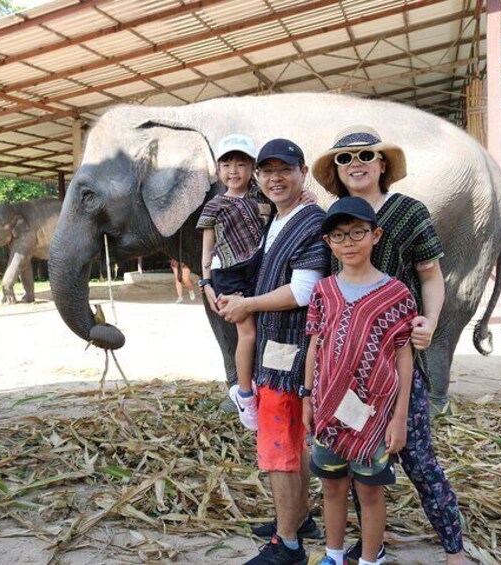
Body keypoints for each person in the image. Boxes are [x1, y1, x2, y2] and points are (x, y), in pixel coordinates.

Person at [311, 125, 465, 565]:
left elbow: (431, 274)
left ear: (383, 164)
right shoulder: (336, 217)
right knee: (354, 456)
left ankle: (453, 546)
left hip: (395, 360)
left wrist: (430, 322)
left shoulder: (408, 211)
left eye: (366, 155)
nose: (356, 163)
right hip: (345, 374)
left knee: (415, 454)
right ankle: (366, 547)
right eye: (345, 158)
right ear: (336, 172)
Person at [217, 138, 330, 565]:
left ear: (303, 172)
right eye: (267, 171)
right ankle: (299, 520)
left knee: (280, 447)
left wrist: (247, 305)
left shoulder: (309, 222)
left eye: (285, 169)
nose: (274, 178)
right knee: (292, 444)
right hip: (275, 345)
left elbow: (303, 291)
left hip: (290, 350)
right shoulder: (280, 217)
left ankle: (288, 546)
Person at [302, 197, 416, 565]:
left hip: (374, 415)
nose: (348, 242)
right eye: (338, 235)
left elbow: (403, 355)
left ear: (376, 235)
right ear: (328, 242)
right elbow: (314, 345)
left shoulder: (396, 294)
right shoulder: (323, 291)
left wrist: (399, 417)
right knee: (332, 486)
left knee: (369, 491)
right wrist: (307, 397)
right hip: (327, 408)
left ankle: (369, 559)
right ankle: (333, 555)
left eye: (357, 233)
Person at [197, 134, 263, 430]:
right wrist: (206, 283)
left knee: (263, 329)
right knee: (246, 332)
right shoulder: (214, 206)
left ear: (253, 168)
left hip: (259, 267)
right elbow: (207, 250)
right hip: (229, 272)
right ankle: (245, 393)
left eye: (241, 164)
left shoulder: (263, 199)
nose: (233, 171)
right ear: (217, 170)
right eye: (227, 164)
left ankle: (261, 385)